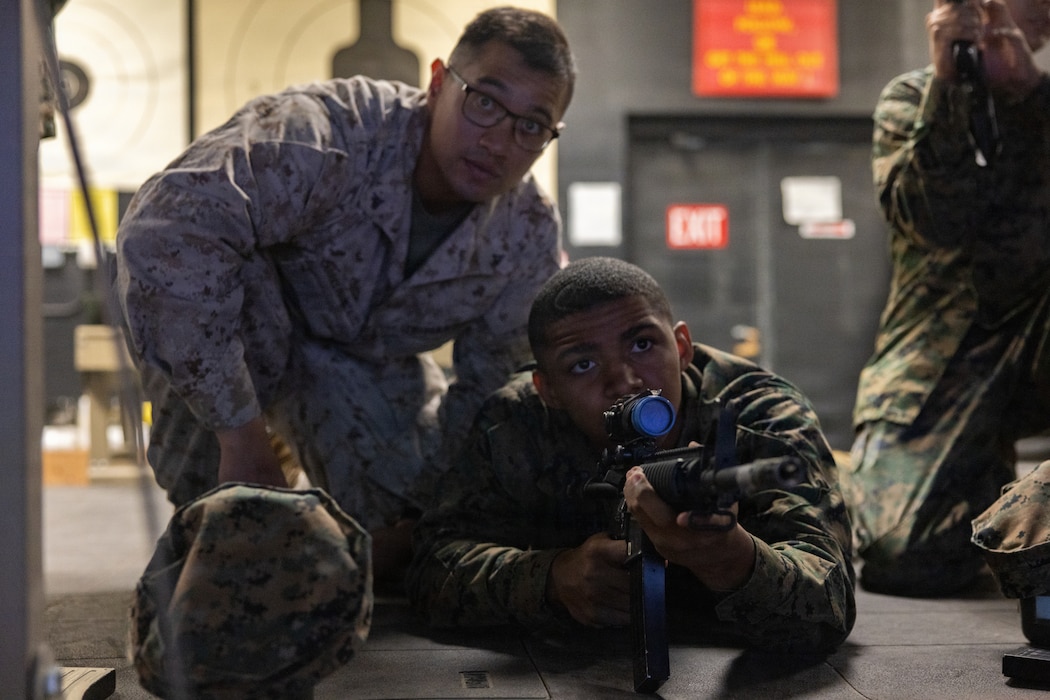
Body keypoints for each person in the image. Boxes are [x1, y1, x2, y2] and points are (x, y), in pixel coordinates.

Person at [115, 6, 576, 586]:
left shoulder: (525, 233)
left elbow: (488, 391)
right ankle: (224, 525)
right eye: (485, 101)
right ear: (437, 83)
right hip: (243, 339)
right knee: (229, 538)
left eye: (532, 126)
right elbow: (163, 231)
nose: (501, 141)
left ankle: (327, 552)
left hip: (360, 366)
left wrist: (433, 517)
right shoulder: (325, 134)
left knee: (406, 522)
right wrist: (241, 437)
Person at [406, 257, 855, 654]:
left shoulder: (758, 414)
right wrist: (552, 580)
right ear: (549, 390)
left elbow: (829, 601)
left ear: (681, 348)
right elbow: (430, 569)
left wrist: (732, 560)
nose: (624, 380)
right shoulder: (517, 422)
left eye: (642, 345)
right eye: (583, 365)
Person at [845, 0, 1050, 597]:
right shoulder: (910, 100)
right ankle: (992, 494)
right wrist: (953, 90)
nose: (1037, 16)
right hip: (943, 352)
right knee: (900, 552)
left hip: (1038, 335)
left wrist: (1029, 99)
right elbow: (926, 221)